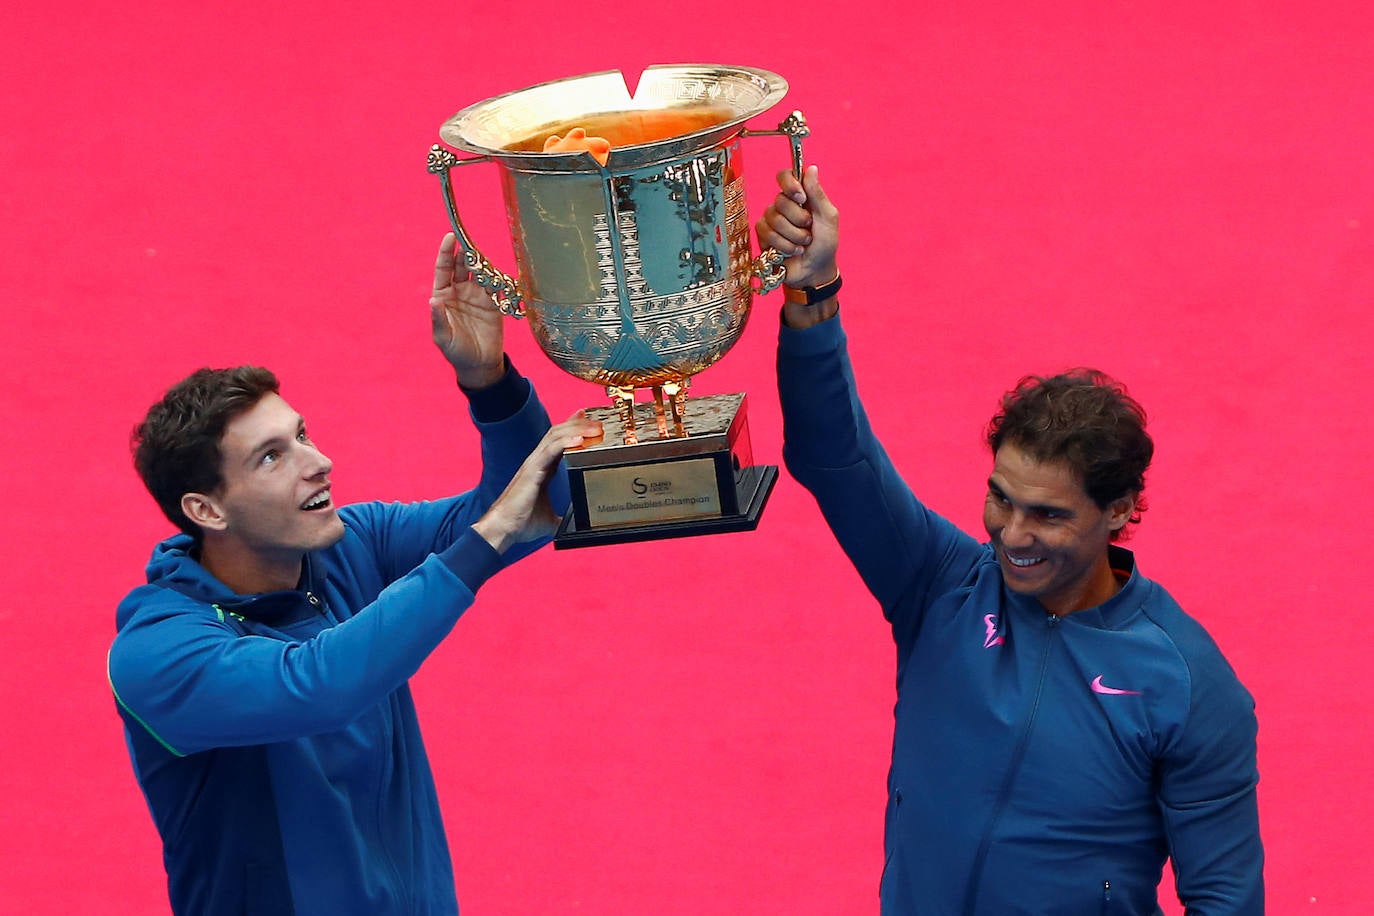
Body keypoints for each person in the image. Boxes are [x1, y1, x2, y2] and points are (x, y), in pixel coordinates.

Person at [757, 168, 1263, 914]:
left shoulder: (1187, 685)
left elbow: (1224, 898)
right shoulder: (940, 585)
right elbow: (833, 456)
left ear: (1120, 510)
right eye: (1001, 499)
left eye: (1049, 516)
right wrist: (814, 294)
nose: (1012, 535)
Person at [107, 233, 601, 916]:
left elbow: (530, 503)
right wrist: (486, 539)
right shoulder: (158, 652)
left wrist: (489, 383)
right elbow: (318, 685)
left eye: (302, 435)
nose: (319, 462)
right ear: (206, 509)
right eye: (272, 457)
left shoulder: (351, 545)